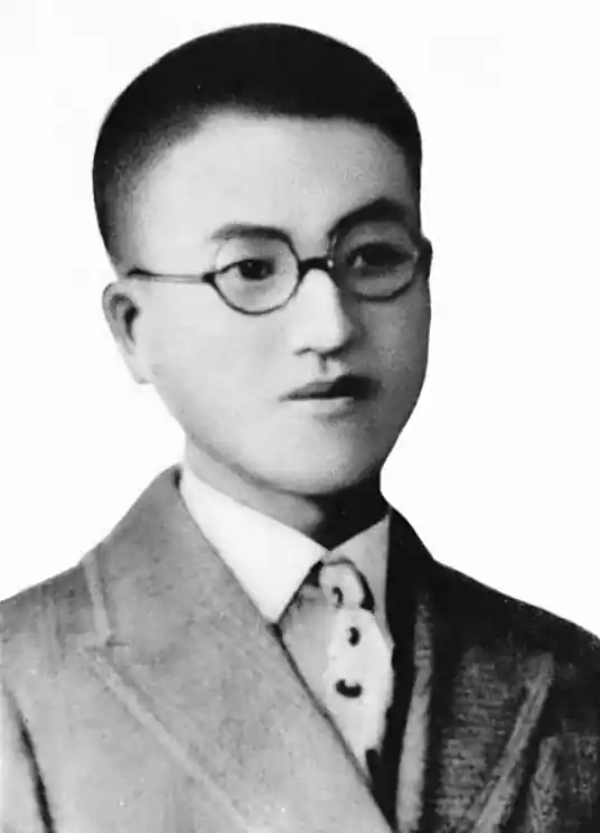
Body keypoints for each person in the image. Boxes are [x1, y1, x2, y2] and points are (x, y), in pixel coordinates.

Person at [1, 22, 598, 833]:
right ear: (133, 329)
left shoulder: (571, 675)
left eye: (373, 257)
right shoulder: (19, 684)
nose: (330, 325)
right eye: (251, 270)